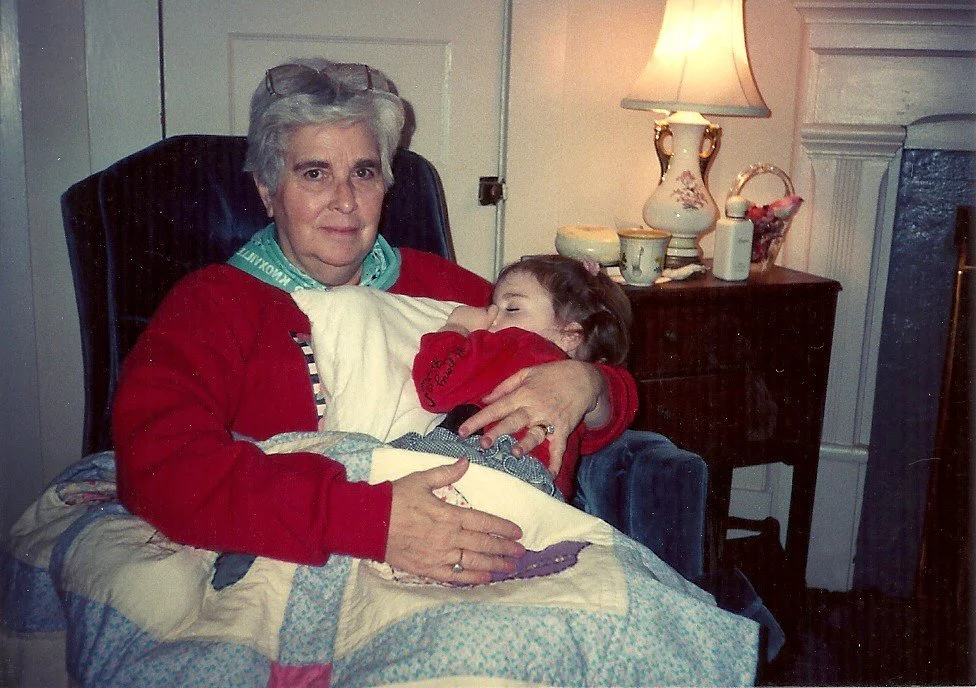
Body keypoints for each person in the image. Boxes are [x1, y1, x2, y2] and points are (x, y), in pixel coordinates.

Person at [111, 58, 638, 586]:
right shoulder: (214, 303)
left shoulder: (443, 285)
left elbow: (572, 401)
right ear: (268, 190)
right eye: (314, 173)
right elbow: (158, 465)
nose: (345, 201)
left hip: (477, 549)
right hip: (304, 556)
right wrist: (373, 522)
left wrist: (586, 385)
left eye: (363, 173)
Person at [411, 254, 635, 499]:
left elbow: (435, 391)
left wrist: (455, 328)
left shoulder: (516, 343)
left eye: (512, 309)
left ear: (569, 336)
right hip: (546, 493)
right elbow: (598, 436)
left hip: (489, 468)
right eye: (492, 306)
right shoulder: (571, 403)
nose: (492, 317)